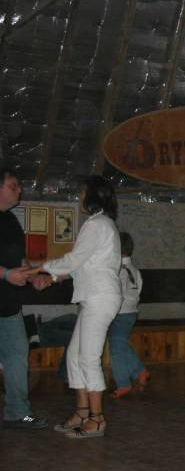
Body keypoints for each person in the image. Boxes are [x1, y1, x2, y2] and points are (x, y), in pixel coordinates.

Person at [34, 175, 121, 439]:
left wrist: (40, 267)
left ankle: (97, 419)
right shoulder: (102, 225)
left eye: (83, 192)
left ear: (94, 195)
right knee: (74, 357)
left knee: (88, 358)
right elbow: (81, 265)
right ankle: (82, 413)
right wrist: (52, 277)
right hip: (95, 296)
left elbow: (74, 259)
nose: (80, 197)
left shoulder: (97, 224)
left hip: (99, 297)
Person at [0, 167, 49, 430]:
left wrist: (33, 277)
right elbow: (9, 269)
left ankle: (18, 413)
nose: (20, 190)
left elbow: (20, 259)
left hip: (8, 306)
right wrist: (6, 274)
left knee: (18, 356)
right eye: (13, 185)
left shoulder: (10, 220)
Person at [107, 231, 149, 398]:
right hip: (131, 312)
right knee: (120, 344)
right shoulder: (134, 270)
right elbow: (138, 291)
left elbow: (115, 294)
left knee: (116, 348)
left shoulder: (116, 270)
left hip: (119, 312)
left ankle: (123, 383)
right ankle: (140, 371)